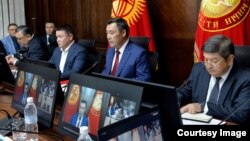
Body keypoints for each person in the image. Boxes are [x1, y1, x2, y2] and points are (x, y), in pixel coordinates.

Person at [177, 35, 250, 125]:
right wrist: (175, 100)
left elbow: (241, 114)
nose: (209, 65)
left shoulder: (246, 79)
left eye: (214, 61)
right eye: (206, 59)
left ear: (230, 59)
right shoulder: (199, 69)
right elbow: (184, 91)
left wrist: (204, 107)